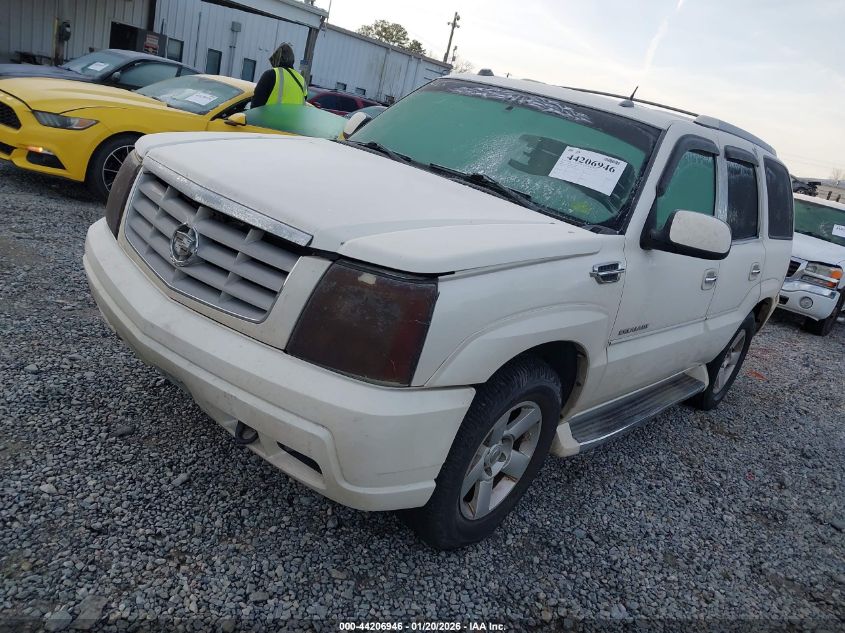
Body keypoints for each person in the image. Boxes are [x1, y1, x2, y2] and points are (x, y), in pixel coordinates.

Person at [251, 43, 307, 107]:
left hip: (271, 117)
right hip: (295, 117)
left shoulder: (270, 75)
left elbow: (256, 105)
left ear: (276, 59)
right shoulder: (301, 80)